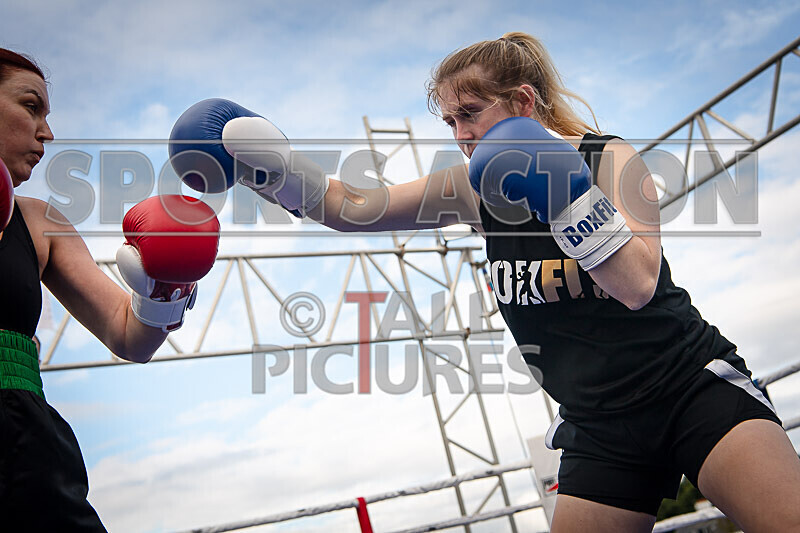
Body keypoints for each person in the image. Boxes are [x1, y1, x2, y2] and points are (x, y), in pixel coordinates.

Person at [170, 32, 800, 532]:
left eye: (470, 113)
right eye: (449, 120)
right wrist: (270, 166)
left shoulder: (605, 157)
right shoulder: (471, 187)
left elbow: (636, 283)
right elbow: (353, 208)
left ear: (524, 103)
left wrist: (565, 196)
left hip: (688, 387)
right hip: (598, 424)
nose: (461, 133)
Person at [0, 48, 220, 531]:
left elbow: (129, 336)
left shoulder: (38, 221)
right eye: (30, 107)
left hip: (25, 445)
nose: (47, 133)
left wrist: (164, 290)